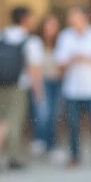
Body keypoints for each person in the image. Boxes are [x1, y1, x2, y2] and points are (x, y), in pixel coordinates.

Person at [0, 6, 45, 172]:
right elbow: (34, 69)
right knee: (13, 120)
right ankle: (9, 156)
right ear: (25, 19)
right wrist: (38, 91)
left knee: (1, 119)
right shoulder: (31, 40)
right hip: (18, 85)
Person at [54, 5, 91, 166]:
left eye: (74, 16)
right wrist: (72, 59)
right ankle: (75, 156)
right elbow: (59, 64)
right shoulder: (65, 36)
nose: (71, 20)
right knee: (73, 124)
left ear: (84, 17)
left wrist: (88, 58)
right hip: (72, 89)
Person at [33, 13, 64, 154]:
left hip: (57, 81)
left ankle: (51, 144)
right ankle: (43, 140)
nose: (52, 28)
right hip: (42, 81)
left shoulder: (62, 41)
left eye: (55, 25)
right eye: (49, 24)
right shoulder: (36, 42)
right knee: (44, 113)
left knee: (54, 113)